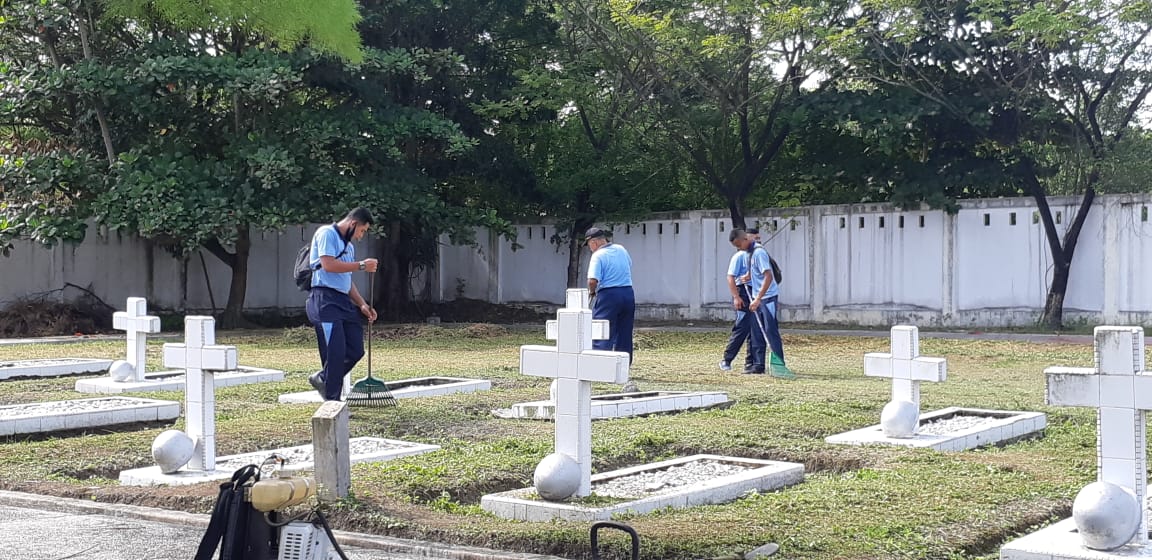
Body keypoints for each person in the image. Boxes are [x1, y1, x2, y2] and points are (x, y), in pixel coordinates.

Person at [306, 207, 379, 401]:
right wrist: (362, 265)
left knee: (356, 350)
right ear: (353, 223)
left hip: (343, 301)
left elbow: (346, 279)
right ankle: (333, 402)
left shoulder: (349, 247)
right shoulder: (326, 233)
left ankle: (323, 378)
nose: (360, 236)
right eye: (361, 231)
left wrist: (362, 304)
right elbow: (328, 265)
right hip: (324, 300)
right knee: (335, 352)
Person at [731, 228, 785, 374]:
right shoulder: (748, 253)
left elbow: (768, 276)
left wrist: (758, 298)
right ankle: (758, 365)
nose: (739, 248)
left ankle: (779, 365)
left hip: (767, 298)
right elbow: (756, 270)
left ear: (745, 239)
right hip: (756, 297)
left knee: (770, 331)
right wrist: (748, 276)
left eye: (739, 245)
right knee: (756, 331)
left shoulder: (759, 252)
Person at [586, 227, 635, 362]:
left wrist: (592, 292)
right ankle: (623, 363)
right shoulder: (621, 249)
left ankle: (600, 362)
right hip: (628, 293)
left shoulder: (598, 255)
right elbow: (629, 265)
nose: (590, 249)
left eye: (589, 245)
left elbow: (592, 280)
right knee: (624, 331)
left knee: (601, 328)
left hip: (609, 295)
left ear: (594, 242)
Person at [720, 227, 761, 371]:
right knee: (742, 327)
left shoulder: (759, 254)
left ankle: (751, 363)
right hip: (743, 292)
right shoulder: (739, 256)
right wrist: (736, 297)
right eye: (755, 238)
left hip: (756, 293)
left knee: (755, 329)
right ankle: (727, 359)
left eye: (759, 239)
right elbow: (730, 277)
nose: (758, 241)